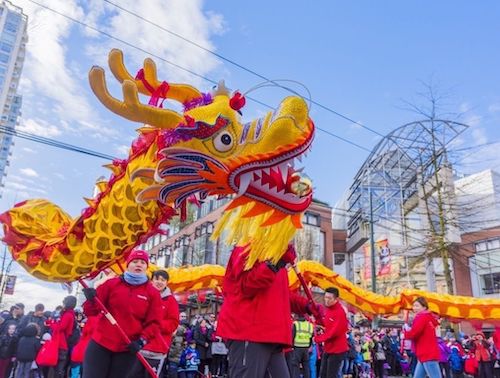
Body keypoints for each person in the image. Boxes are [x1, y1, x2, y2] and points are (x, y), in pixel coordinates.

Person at [216, 244, 314, 378]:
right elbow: (246, 285)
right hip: (250, 333)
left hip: (272, 336)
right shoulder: (246, 246)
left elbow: (281, 295)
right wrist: (275, 263)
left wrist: (307, 306)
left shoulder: (275, 254)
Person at [82, 249, 162, 378]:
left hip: (128, 348)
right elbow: (90, 311)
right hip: (101, 343)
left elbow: (154, 323)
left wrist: (141, 341)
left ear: (146, 267)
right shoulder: (111, 284)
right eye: (135, 261)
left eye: (142, 262)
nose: (139, 264)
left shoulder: (152, 293)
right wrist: (91, 299)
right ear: (128, 264)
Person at [129, 269, 180, 378]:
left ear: (167, 283)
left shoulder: (171, 301)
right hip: (138, 346)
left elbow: (173, 323)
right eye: (157, 279)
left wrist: (155, 324)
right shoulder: (143, 295)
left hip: (157, 350)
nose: (159, 282)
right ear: (151, 281)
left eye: (163, 280)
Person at [314, 287, 349, 378]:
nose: (326, 300)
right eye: (325, 297)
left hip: (337, 350)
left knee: (331, 375)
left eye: (329, 298)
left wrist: (317, 339)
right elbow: (327, 326)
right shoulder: (328, 310)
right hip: (328, 348)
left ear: (336, 299)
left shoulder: (340, 312)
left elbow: (332, 333)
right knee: (323, 374)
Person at [403, 297, 442, 378]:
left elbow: (414, 333)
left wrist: (405, 334)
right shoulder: (428, 317)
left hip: (426, 352)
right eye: (413, 306)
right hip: (426, 352)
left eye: (417, 306)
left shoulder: (421, 317)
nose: (414, 308)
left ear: (424, 307)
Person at [50, 295, 77, 378]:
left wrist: (52, 323)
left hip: (62, 343)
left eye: (64, 302)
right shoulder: (69, 314)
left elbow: (60, 328)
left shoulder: (68, 315)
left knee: (58, 368)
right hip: (63, 342)